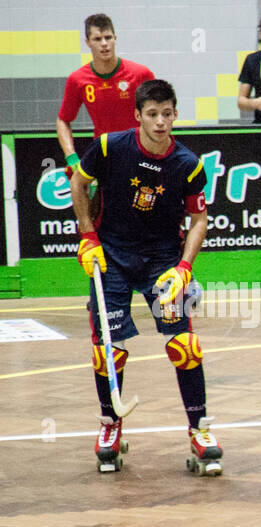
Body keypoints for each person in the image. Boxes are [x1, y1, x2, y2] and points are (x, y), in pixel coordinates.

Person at [70, 79, 219, 476]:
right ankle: (110, 426)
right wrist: (87, 236)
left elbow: (199, 218)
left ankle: (199, 429)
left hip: (162, 262)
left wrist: (185, 268)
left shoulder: (189, 165)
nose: (160, 122)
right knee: (107, 350)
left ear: (175, 114)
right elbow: (79, 182)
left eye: (167, 114)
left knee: (185, 345)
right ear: (137, 115)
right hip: (111, 257)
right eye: (151, 114)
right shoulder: (108, 147)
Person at [57, 14, 155, 181]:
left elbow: (159, 112)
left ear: (115, 38)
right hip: (105, 156)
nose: (104, 44)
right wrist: (71, 156)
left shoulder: (141, 74)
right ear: (87, 42)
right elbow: (63, 120)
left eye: (108, 37)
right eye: (97, 39)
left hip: (142, 154)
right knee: (79, 188)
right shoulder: (77, 80)